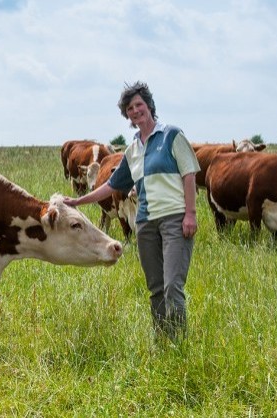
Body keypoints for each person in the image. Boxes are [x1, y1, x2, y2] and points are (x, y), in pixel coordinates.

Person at [63, 81, 200, 342]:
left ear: (149, 105)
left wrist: (190, 214)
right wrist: (78, 202)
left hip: (174, 219)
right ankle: (162, 339)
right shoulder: (133, 149)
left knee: (173, 286)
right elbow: (112, 185)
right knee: (155, 288)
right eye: (129, 108)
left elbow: (190, 174)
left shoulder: (171, 135)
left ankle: (179, 344)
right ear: (127, 116)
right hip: (145, 223)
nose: (135, 110)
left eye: (138, 105)